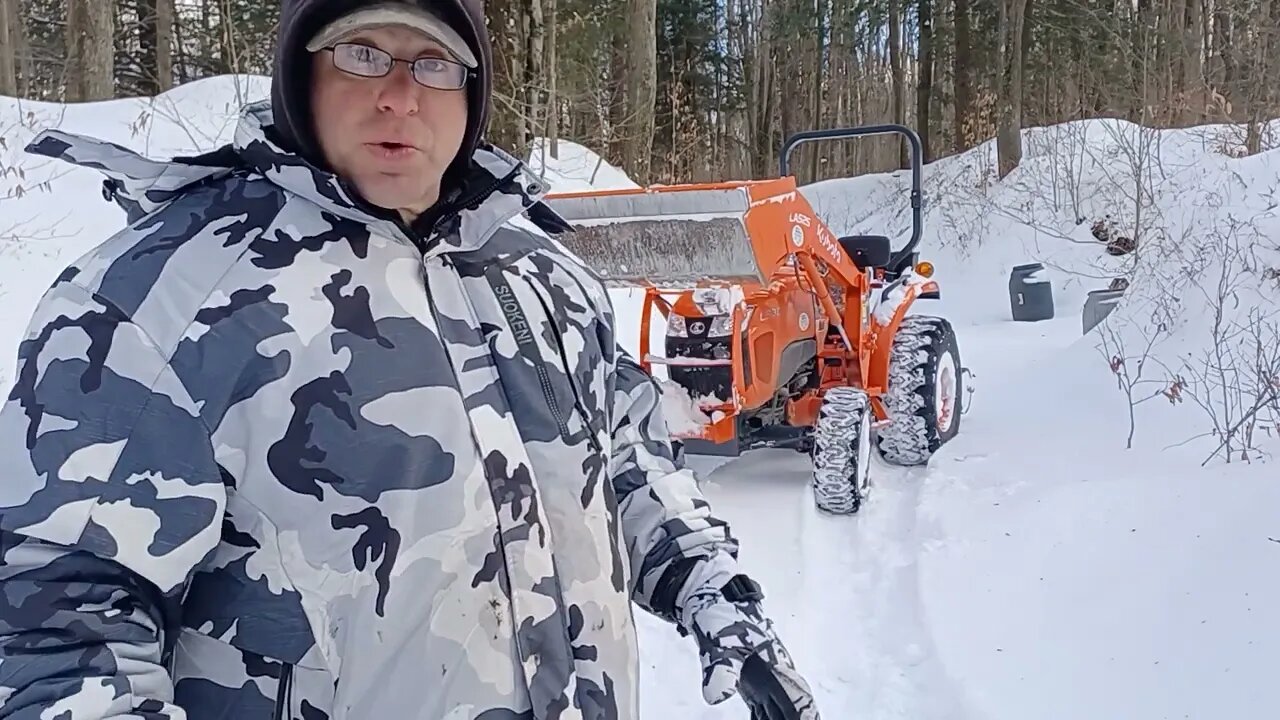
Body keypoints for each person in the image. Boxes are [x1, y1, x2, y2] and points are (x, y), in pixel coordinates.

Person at [0, 2, 821, 719]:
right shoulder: (160, 298)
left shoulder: (544, 277)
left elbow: (625, 464)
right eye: (362, 54)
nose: (400, 95)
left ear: (471, 94)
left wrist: (719, 601)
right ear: (299, 76)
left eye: (434, 62)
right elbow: (50, 625)